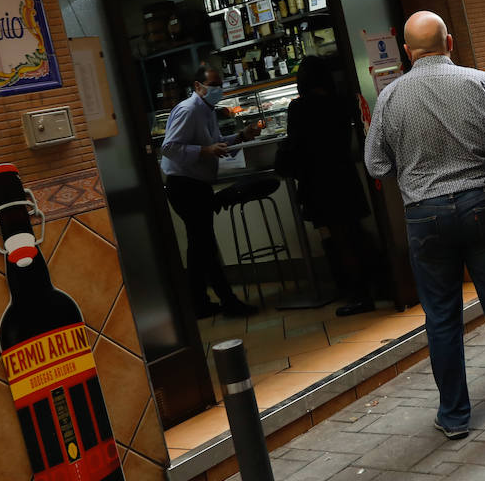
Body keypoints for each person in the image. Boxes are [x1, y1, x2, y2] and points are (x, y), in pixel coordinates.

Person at [364, 11, 485, 438]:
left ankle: (455, 416)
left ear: (407, 53)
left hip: (425, 215)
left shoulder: (390, 98)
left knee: (442, 318)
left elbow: (376, 162)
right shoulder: (480, 82)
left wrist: (413, 163)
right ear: (450, 42)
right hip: (483, 203)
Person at [160, 64, 261, 318]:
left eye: (220, 85)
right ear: (198, 86)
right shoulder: (188, 110)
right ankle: (227, 301)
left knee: (198, 247)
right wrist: (205, 151)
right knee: (205, 245)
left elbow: (213, 144)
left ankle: (198, 303)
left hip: (197, 185)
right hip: (185, 186)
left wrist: (240, 136)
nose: (218, 90)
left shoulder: (207, 110)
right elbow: (169, 148)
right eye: (213, 85)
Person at [282, 55, 375, 316]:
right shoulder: (341, 103)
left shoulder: (299, 108)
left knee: (338, 236)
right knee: (353, 232)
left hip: (319, 180)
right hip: (344, 174)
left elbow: (296, 145)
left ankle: (356, 293)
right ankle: (369, 284)